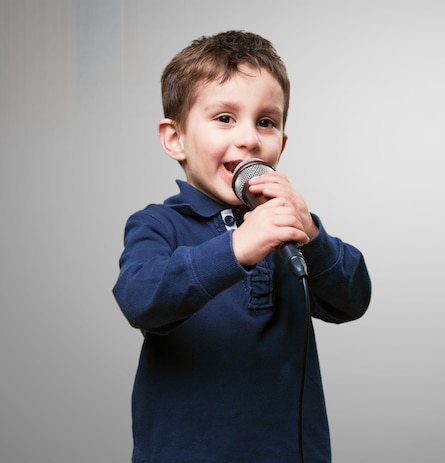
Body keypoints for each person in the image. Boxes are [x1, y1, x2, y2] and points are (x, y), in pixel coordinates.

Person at [112, 30, 371, 463]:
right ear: (175, 138)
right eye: (225, 118)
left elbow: (353, 299)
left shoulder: (286, 225)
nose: (250, 138)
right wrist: (236, 248)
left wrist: (312, 235)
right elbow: (140, 298)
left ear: (281, 145)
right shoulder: (158, 224)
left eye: (266, 122)